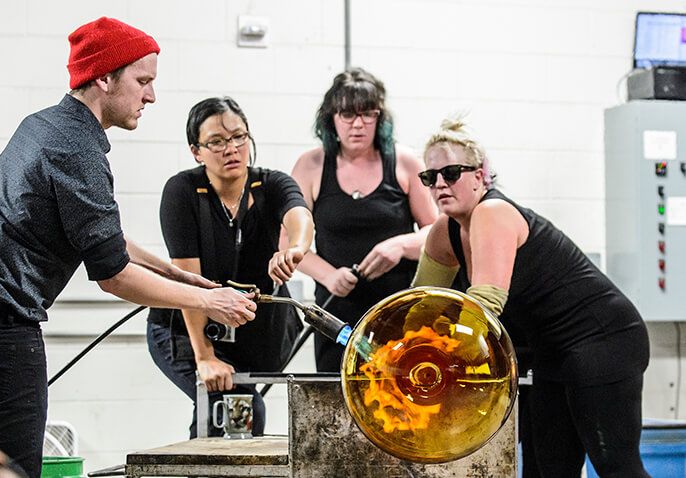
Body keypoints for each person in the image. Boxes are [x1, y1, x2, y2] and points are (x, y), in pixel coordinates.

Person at [0, 18, 256, 478]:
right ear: (104, 78)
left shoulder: (43, 125)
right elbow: (113, 275)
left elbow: (103, 237)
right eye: (143, 81)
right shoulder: (77, 151)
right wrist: (209, 301)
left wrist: (177, 274)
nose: (150, 96)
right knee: (12, 468)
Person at [412, 117, 650, 477]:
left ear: (480, 175)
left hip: (603, 339)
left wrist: (442, 358)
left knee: (616, 465)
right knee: (545, 470)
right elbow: (417, 309)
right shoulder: (443, 234)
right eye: (430, 178)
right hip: (551, 352)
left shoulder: (493, 213)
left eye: (452, 173)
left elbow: (484, 307)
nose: (440, 184)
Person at [147, 97, 313, 438]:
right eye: (217, 142)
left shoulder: (271, 184)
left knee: (243, 407)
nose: (232, 149)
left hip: (253, 333)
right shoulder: (182, 192)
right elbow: (188, 282)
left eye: (239, 137)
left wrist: (294, 249)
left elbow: (300, 216)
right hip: (185, 328)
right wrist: (205, 357)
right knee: (226, 404)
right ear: (197, 151)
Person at [291, 68, 438, 371]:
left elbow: (437, 232)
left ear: (379, 118)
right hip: (337, 314)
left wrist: (400, 245)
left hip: (398, 312)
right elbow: (290, 244)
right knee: (339, 398)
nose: (357, 124)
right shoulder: (311, 165)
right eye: (347, 114)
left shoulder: (405, 162)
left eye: (367, 114)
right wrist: (329, 275)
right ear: (331, 117)